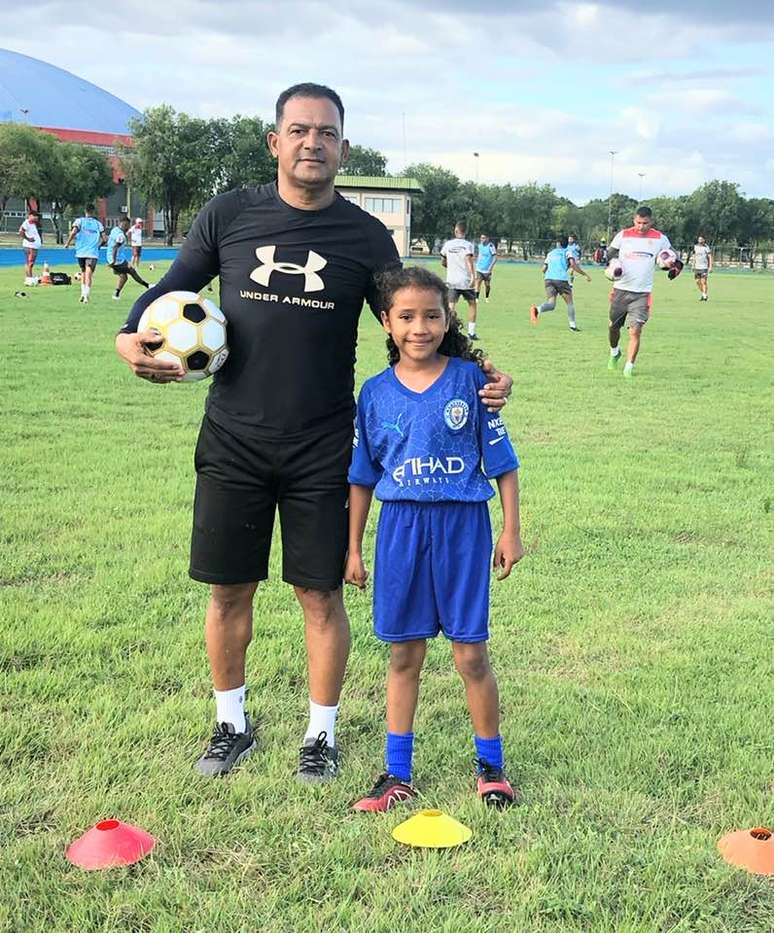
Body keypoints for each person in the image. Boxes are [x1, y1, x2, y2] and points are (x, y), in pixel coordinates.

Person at [114, 83, 514, 781]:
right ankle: (230, 724)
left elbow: (409, 318)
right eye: (298, 130)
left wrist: (482, 373)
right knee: (228, 589)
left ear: (343, 147)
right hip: (233, 436)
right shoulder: (229, 215)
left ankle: (320, 735)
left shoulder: (363, 236)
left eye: (325, 133)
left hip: (324, 442)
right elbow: (171, 285)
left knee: (320, 594)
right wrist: (128, 336)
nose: (312, 143)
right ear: (275, 141)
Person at [345, 265, 524, 812]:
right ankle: (396, 773)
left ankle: (491, 767)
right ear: (386, 322)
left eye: (431, 315)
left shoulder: (472, 382)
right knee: (405, 655)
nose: (419, 327)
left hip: (463, 530)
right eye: (406, 316)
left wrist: (511, 531)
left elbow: (504, 464)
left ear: (448, 320)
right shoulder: (373, 394)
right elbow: (361, 476)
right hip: (400, 531)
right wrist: (352, 547)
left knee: (471, 655)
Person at [605, 205, 682, 378]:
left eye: (645, 223)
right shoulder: (623, 235)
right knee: (613, 328)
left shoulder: (660, 238)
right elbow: (609, 254)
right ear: (634, 220)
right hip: (620, 290)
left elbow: (673, 257)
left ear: (651, 221)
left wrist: (674, 266)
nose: (641, 226)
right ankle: (614, 352)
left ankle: (629, 368)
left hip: (642, 293)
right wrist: (612, 265)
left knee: (636, 330)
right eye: (638, 222)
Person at [529, 236, 585, 332]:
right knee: (570, 303)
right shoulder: (567, 252)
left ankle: (536, 310)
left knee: (551, 304)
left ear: (558, 243)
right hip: (561, 280)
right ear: (566, 244)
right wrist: (584, 274)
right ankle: (573, 326)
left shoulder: (550, 253)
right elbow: (572, 264)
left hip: (549, 279)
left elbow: (543, 269)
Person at [441, 221, 479, 340]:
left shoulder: (448, 244)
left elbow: (443, 261)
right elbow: (469, 260)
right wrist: (473, 276)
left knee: (451, 306)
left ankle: (450, 331)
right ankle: (471, 333)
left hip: (452, 280)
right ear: (465, 232)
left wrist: (450, 265)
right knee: (472, 304)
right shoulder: (468, 245)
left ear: (456, 231)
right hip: (466, 281)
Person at [65, 205, 106, 303]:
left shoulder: (79, 221)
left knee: (83, 272)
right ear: (93, 212)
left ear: (85, 211)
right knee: (88, 273)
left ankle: (83, 294)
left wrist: (68, 243)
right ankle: (86, 295)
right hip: (92, 252)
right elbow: (105, 239)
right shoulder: (98, 224)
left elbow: (73, 232)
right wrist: (99, 246)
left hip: (80, 252)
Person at [106, 217, 151, 299]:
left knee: (124, 276)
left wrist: (100, 245)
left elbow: (109, 240)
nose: (127, 227)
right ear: (123, 224)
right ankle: (147, 285)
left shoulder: (114, 230)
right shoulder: (121, 235)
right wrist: (113, 261)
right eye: (127, 225)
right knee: (132, 271)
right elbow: (115, 248)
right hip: (117, 260)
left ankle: (116, 294)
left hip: (113, 258)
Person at [19, 209, 42, 282]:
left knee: (30, 263)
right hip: (30, 246)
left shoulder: (33, 223)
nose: (36, 217)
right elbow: (21, 231)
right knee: (30, 262)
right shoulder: (26, 223)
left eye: (36, 216)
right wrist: (28, 239)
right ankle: (29, 278)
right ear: (30, 216)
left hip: (34, 246)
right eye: (34, 216)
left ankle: (29, 277)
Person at [475, 233, 497, 302]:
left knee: (487, 285)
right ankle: (476, 298)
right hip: (479, 268)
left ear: (487, 238)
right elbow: (479, 255)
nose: (482, 239)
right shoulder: (479, 246)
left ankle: (487, 298)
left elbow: (495, 257)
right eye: (481, 238)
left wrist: (490, 267)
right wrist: (476, 264)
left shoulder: (491, 246)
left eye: (484, 238)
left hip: (487, 270)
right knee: (478, 283)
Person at [689, 235, 712, 301]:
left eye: (701, 239)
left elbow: (710, 257)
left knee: (703, 282)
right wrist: (693, 265)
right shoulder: (695, 247)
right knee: (697, 281)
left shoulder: (706, 247)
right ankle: (704, 294)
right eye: (699, 239)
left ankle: (704, 296)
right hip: (697, 267)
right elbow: (694, 256)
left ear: (704, 240)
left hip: (704, 267)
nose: (700, 240)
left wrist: (710, 266)